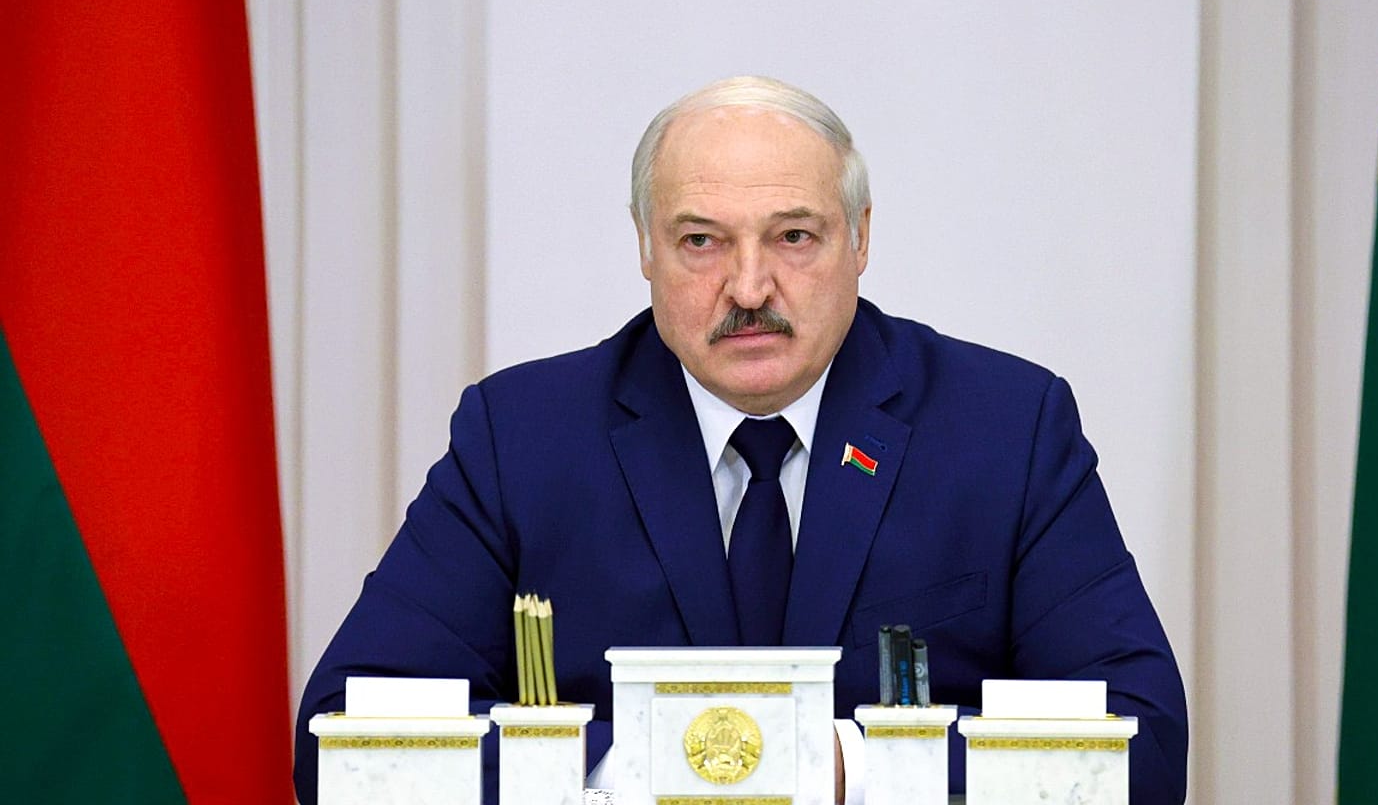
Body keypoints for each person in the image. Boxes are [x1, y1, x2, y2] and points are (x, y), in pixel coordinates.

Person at [294, 76, 1188, 804]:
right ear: (645, 246)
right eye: (701, 242)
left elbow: (1142, 743)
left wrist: (857, 768)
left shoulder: (1004, 427)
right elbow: (342, 742)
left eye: (794, 236)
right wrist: (638, 760)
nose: (749, 285)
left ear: (861, 237)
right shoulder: (524, 437)